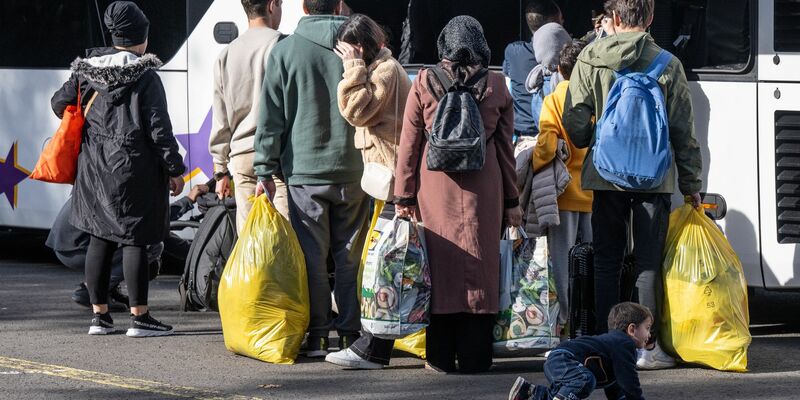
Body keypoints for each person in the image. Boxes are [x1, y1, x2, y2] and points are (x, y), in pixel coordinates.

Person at [562, 0, 703, 369]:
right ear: (652, 18)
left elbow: (575, 128)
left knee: (606, 261)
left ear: (616, 18)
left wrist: (602, 135)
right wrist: (691, 183)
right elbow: (684, 133)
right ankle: (646, 347)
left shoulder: (589, 58)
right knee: (647, 262)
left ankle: (609, 344)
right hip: (655, 179)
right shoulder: (668, 64)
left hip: (606, 176)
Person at [393, 16, 521, 374]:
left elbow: (409, 146)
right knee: (481, 267)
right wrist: (512, 202)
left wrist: (403, 198)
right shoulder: (496, 84)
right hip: (485, 190)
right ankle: (476, 356)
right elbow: (505, 152)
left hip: (435, 189)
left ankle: (439, 357)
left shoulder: (424, 81)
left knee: (439, 267)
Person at [50, 1, 186, 337]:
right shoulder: (146, 77)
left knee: (100, 236)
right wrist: (175, 168)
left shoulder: (86, 71)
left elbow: (57, 104)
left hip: (94, 169)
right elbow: (159, 130)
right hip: (135, 170)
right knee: (135, 241)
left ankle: (100, 317)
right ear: (141, 38)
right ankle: (140, 318)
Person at [254, 0, 369, 358]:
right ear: (338, 4)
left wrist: (264, 169)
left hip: (304, 173)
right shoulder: (359, 46)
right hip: (354, 170)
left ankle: (319, 335)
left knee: (312, 260)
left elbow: (271, 117)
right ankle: (351, 336)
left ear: (303, 7)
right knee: (349, 259)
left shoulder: (285, 51)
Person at [323, 13, 412, 370]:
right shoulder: (384, 67)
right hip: (390, 181)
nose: (343, 56)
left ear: (359, 46)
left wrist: (353, 67)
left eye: (348, 49)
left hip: (394, 183)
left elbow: (356, 110)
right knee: (385, 264)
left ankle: (372, 349)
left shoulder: (385, 70)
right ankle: (373, 345)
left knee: (384, 266)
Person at [530, 40, 592, 338]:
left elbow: (545, 147)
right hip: (595, 194)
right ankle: (590, 323)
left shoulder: (553, 100)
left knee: (561, 264)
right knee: (592, 263)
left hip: (565, 195)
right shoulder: (596, 98)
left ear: (559, 70)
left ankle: (563, 325)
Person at [209, 0, 286, 229]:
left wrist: (220, 170)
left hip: (242, 158)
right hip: (278, 157)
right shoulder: (283, 46)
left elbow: (220, 119)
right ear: (272, 5)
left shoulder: (226, 54)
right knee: (284, 240)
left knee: (250, 240)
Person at [508, 302, 652, 400]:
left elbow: (617, 390)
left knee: (569, 389)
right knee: (584, 380)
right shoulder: (624, 343)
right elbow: (630, 384)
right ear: (632, 329)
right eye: (647, 328)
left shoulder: (614, 349)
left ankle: (527, 392)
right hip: (565, 358)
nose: (649, 335)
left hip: (559, 359)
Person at [503, 0, 563, 140]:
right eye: (561, 21)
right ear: (554, 25)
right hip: (555, 135)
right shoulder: (566, 54)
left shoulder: (513, 52)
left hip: (522, 135)